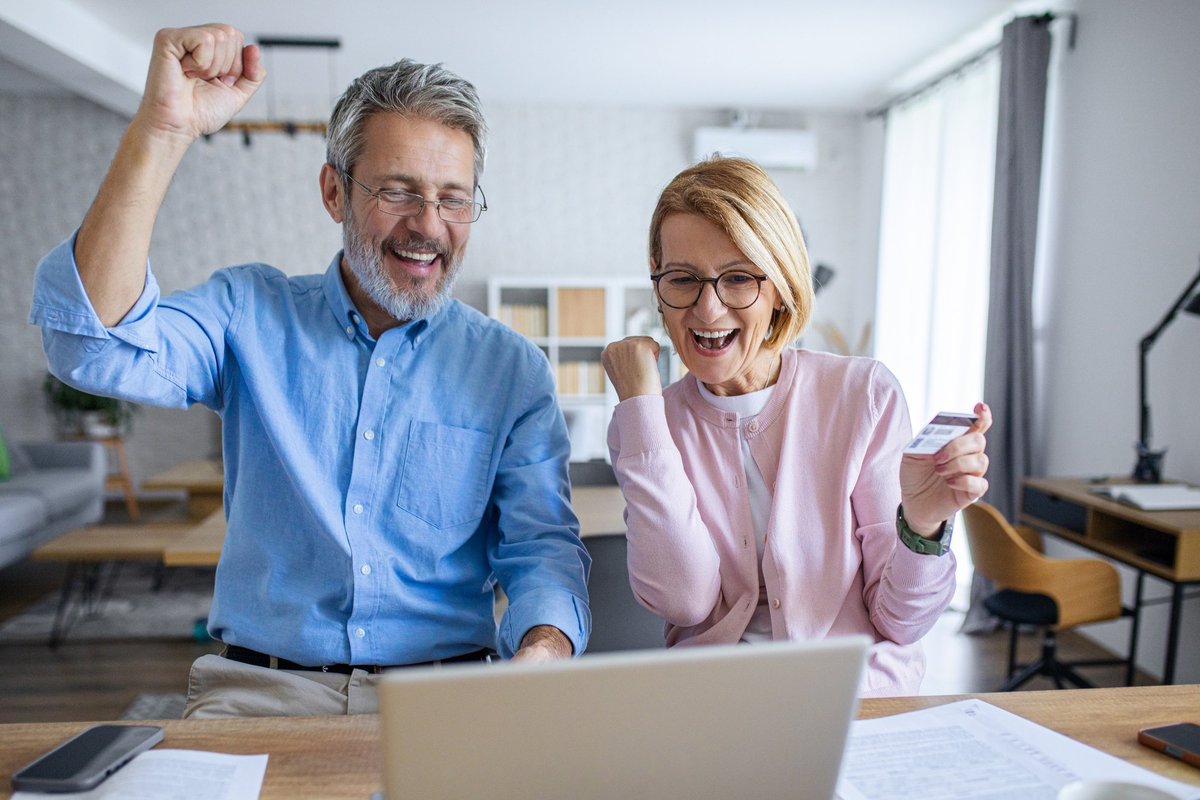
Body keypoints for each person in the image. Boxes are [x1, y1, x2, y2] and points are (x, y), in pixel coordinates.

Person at [31, 24, 590, 717]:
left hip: (446, 696)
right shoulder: (247, 313)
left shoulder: (512, 370)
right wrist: (163, 131)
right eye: (398, 191)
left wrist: (541, 649)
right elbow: (93, 343)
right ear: (334, 192)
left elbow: (541, 551)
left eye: (452, 198)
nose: (428, 225)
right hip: (263, 691)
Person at [601, 157, 990, 696]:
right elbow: (682, 599)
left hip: (857, 704)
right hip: (718, 706)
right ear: (658, 279)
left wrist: (921, 528)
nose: (708, 310)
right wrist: (642, 407)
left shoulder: (864, 396)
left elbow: (901, 621)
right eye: (684, 279)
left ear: (781, 284)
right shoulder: (647, 422)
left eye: (738, 278)